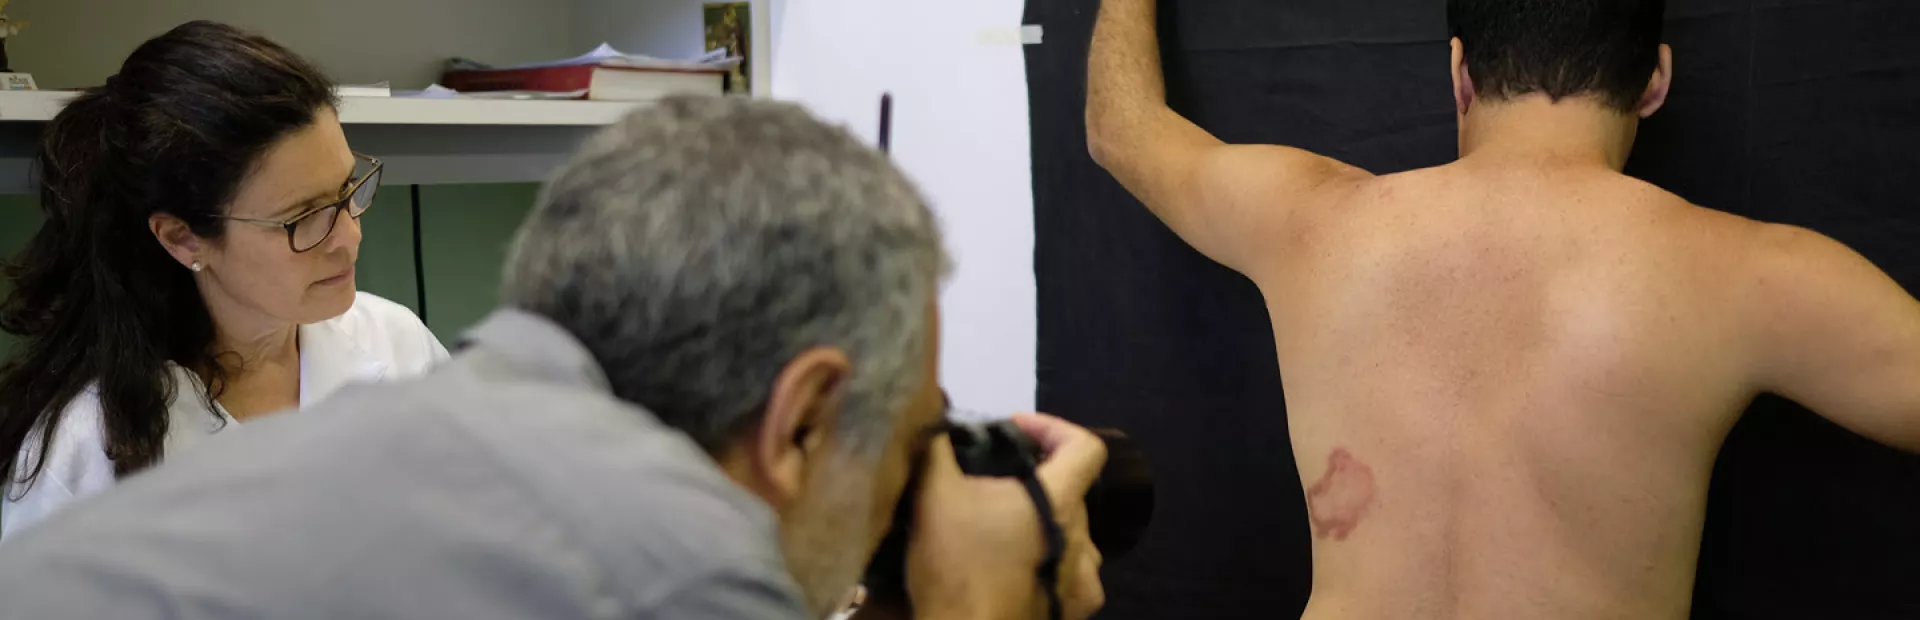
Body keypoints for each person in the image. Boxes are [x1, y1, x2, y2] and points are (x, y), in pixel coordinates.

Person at [0, 96, 1108, 620]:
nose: (346, 234)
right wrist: (978, 599)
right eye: (906, 435)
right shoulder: (666, 565)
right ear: (803, 412)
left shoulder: (421, 404)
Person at [1086, 0, 1919, 618]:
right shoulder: (1750, 275)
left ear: (1459, 75)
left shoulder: (1309, 222)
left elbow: (1120, 129)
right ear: (1656, 80)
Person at [0, 21, 447, 539]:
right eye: (304, 216)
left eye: (348, 189)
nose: (349, 236)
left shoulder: (396, 342)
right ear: (184, 239)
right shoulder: (81, 453)